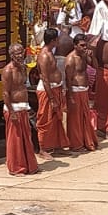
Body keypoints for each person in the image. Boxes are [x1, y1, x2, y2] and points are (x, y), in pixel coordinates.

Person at [1, 43, 38, 176]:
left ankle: (29, 165)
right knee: (15, 139)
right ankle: (16, 168)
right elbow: (5, 93)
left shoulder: (23, 67)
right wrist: (11, 112)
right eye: (17, 53)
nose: (20, 55)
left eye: (21, 52)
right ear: (11, 55)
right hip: (13, 109)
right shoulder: (7, 71)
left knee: (26, 137)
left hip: (23, 107)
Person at [35, 28, 68, 156]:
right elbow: (44, 78)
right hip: (47, 91)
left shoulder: (50, 52)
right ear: (54, 40)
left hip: (56, 88)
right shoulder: (44, 55)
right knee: (45, 119)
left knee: (57, 118)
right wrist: (52, 99)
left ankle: (57, 145)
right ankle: (43, 148)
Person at [64, 38, 98, 153]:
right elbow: (68, 79)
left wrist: (92, 56)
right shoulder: (70, 59)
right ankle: (76, 144)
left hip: (84, 90)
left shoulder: (84, 56)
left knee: (85, 117)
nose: (84, 47)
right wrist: (71, 97)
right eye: (82, 45)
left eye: (85, 45)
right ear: (75, 45)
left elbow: (95, 66)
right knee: (75, 120)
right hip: (75, 91)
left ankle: (86, 141)